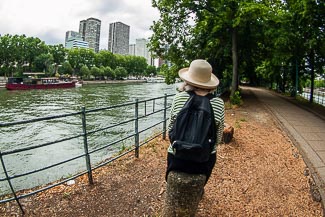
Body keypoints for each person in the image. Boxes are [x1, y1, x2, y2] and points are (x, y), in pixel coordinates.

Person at [166, 59, 225, 184]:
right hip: (204, 160)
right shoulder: (219, 103)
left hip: (177, 157)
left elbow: (170, 129)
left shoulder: (179, 98)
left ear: (187, 80)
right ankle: (199, 190)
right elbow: (218, 138)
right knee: (212, 153)